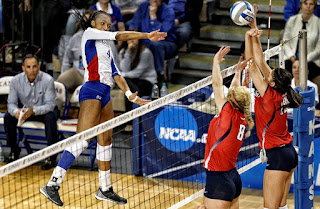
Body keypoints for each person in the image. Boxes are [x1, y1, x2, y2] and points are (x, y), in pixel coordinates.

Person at [40, 10, 167, 207]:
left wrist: (129, 95)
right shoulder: (90, 34)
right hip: (92, 89)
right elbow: (120, 36)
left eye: (109, 24)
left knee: (105, 138)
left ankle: (105, 188)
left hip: (106, 92)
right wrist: (146, 35)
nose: (107, 27)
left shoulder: (106, 47)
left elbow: (116, 74)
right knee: (82, 139)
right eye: (103, 23)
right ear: (94, 23)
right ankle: (53, 184)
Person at [246, 5, 303, 209]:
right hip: (289, 153)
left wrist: (248, 36)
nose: (268, 72)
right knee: (282, 207)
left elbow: (252, 65)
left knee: (270, 208)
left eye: (270, 74)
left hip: (278, 157)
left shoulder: (269, 97)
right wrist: (253, 24)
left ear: (271, 83)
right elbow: (261, 61)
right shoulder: (283, 91)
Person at [202, 46, 254, 209]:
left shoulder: (227, 114)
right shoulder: (243, 117)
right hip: (232, 178)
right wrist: (238, 72)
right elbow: (233, 90)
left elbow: (217, 85)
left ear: (232, 100)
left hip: (218, 180)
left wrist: (215, 62)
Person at [4, 54, 60, 170]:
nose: (32, 70)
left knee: (51, 118)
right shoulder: (16, 81)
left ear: (39, 67)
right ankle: (14, 149)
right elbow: (11, 103)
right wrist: (16, 112)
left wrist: (33, 110)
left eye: (34, 66)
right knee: (8, 117)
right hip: (26, 111)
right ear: (23, 68)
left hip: (44, 111)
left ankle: (51, 156)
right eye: (28, 67)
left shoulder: (47, 80)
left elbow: (50, 105)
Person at [129, 0, 178, 85]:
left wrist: (153, 15)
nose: (154, 0)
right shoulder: (143, 6)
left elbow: (160, 35)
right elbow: (134, 24)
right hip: (144, 40)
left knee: (155, 44)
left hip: (166, 43)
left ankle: (159, 75)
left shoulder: (169, 11)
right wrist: (133, 39)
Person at [119, 39, 157, 131]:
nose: (132, 41)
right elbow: (124, 68)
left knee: (131, 88)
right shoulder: (123, 52)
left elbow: (137, 73)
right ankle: (131, 121)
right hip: (132, 81)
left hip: (147, 80)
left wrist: (121, 75)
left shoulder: (145, 53)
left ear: (139, 40)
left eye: (134, 39)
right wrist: (128, 51)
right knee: (130, 89)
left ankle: (132, 122)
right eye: (130, 39)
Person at [283, 0, 320, 91]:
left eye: (311, 4)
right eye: (305, 4)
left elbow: (319, 47)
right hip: (291, 58)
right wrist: (292, 57)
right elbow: (285, 41)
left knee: (313, 70)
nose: (308, 6)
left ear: (314, 7)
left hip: (311, 60)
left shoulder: (318, 22)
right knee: (284, 69)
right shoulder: (292, 20)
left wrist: (304, 59)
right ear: (301, 5)